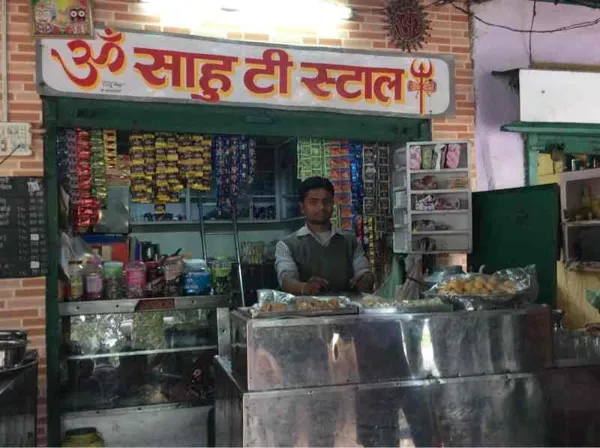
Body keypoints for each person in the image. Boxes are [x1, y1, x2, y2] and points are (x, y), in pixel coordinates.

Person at [275, 176, 375, 295]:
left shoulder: (350, 241)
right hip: (304, 311)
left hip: (347, 311)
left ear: (332, 204)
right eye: (313, 202)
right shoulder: (288, 245)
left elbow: (363, 270)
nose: (321, 207)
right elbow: (286, 279)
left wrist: (365, 279)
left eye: (326, 201)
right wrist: (304, 287)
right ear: (302, 207)